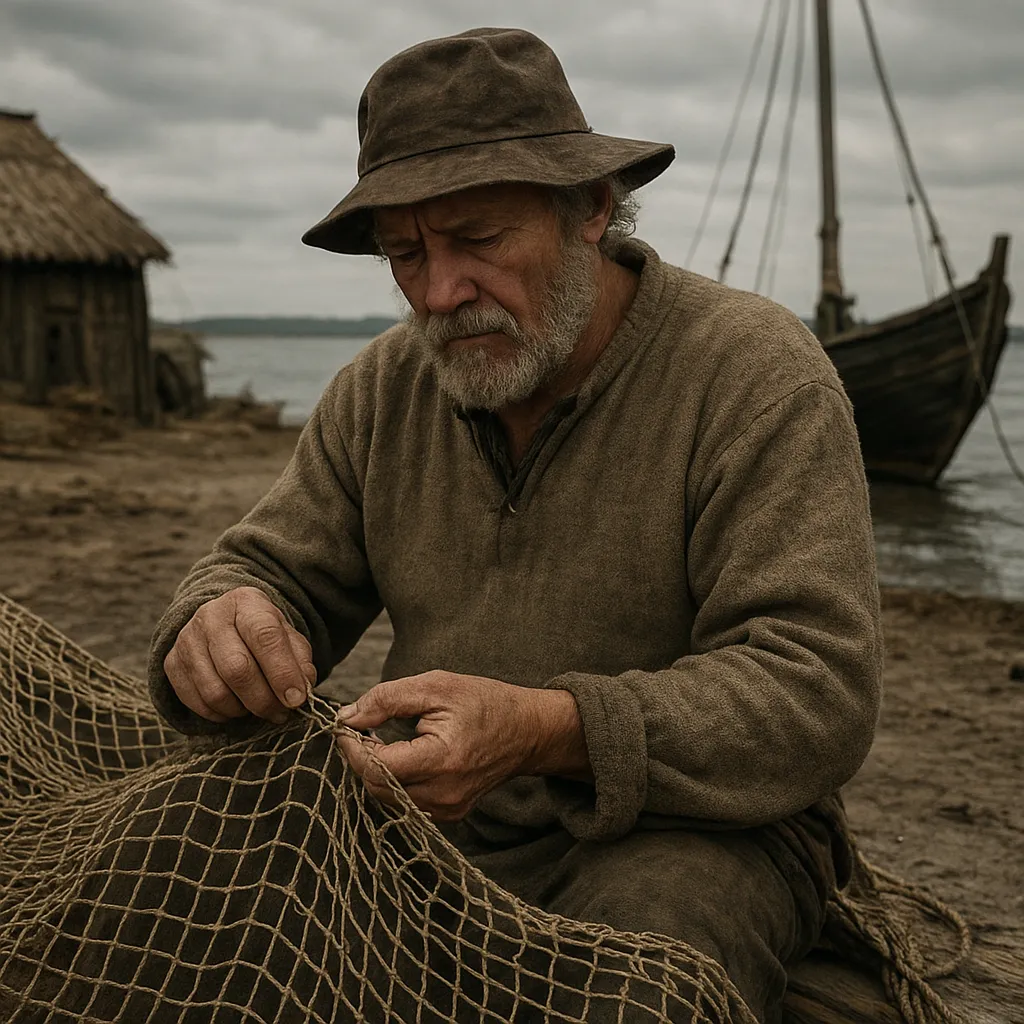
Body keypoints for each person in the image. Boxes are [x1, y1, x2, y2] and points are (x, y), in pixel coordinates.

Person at [149, 27, 883, 1023]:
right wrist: (223, 619)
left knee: (636, 974)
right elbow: (268, 568)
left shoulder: (753, 376)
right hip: (430, 824)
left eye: (478, 239)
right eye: (405, 254)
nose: (439, 293)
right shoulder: (382, 388)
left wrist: (546, 729)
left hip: (698, 833)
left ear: (589, 207)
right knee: (180, 901)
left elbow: (815, 688)